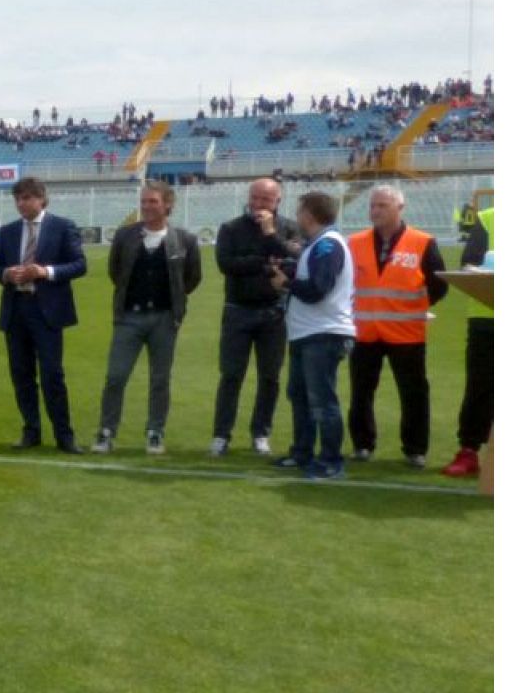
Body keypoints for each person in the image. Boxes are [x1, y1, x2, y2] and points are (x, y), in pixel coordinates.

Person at [92, 182, 204, 454]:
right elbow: (116, 272)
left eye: (153, 201)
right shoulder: (125, 236)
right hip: (129, 317)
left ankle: (155, 431)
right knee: (116, 376)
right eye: (144, 201)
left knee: (160, 379)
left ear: (167, 205)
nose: (146, 206)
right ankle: (106, 431)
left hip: (164, 319)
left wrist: (173, 301)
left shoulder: (184, 240)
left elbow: (191, 278)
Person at [345, 185, 449, 467]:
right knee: (361, 392)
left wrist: (415, 307)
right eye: (373, 205)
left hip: (406, 332)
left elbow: (439, 284)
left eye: (382, 205)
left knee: (413, 392)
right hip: (365, 331)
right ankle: (362, 445)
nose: (375, 210)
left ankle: (415, 449)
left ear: (400, 208)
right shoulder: (354, 242)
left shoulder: (422, 242)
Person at [0, 176, 87, 453]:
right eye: (18, 199)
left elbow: (79, 265)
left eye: (27, 198)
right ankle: (31, 430)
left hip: (47, 312)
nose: (21, 203)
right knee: (21, 375)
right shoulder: (7, 232)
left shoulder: (62, 226)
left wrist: (46, 271)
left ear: (42, 199)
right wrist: (6, 274)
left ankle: (64, 435)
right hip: (16, 310)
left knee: (52, 375)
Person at [210, 177, 301, 456]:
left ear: (278, 201)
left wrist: (270, 235)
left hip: (274, 312)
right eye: (255, 197)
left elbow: (293, 261)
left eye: (266, 199)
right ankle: (221, 435)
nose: (259, 203)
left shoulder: (290, 228)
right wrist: (264, 264)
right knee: (231, 375)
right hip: (237, 310)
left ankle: (261, 433)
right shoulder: (231, 228)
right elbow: (226, 264)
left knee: (270, 377)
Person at [273, 191, 356, 479]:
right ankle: (302, 452)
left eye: (300, 211)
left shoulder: (328, 245)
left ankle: (331, 461)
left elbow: (318, 288)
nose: (297, 217)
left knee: (321, 400)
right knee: (300, 395)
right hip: (308, 332)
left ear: (309, 214)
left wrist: (286, 283)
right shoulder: (317, 245)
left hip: (323, 332)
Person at [442, 207, 493, 477]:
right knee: (479, 386)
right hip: (486, 316)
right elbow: (468, 263)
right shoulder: (487, 218)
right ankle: (469, 450)